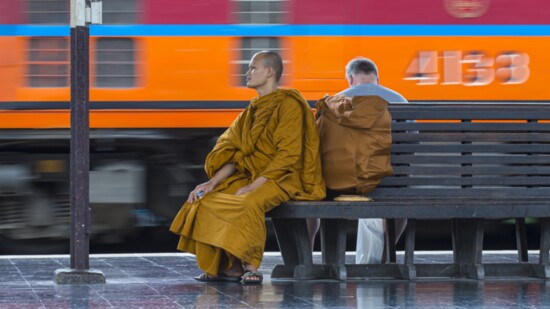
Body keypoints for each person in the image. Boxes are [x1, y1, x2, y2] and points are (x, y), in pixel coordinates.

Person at [170, 51, 326, 284]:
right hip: (251, 174)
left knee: (246, 202)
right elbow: (236, 155)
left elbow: (289, 155)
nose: (247, 72)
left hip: (282, 178)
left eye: (253, 68)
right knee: (205, 199)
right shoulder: (251, 111)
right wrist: (211, 183)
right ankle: (228, 267)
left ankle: (250, 266)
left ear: (269, 72)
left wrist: (253, 186)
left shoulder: (289, 105)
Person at [307, 57, 407, 263]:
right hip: (391, 184)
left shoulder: (335, 102)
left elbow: (320, 145)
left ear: (351, 78)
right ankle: (386, 258)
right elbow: (411, 147)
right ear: (377, 79)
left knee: (314, 188)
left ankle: (323, 261)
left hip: (341, 185)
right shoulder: (399, 100)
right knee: (398, 192)